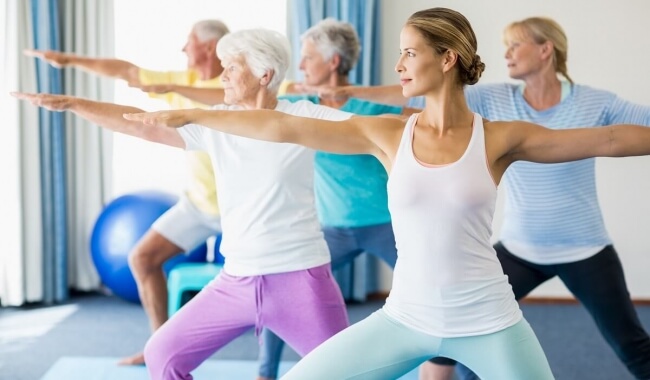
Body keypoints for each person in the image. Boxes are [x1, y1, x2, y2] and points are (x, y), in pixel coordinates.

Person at [119, 7, 650, 379]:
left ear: (445, 59)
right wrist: (197, 112)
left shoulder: (499, 136)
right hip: (406, 319)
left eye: (408, 53)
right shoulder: (389, 133)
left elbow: (607, 137)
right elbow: (283, 127)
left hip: (489, 319)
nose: (398, 65)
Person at [13, 28, 361, 380]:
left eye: (231, 68)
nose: (221, 76)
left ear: (264, 75)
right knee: (162, 355)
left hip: (299, 278)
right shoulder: (216, 124)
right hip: (236, 281)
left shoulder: (305, 116)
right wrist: (74, 104)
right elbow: (138, 124)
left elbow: (371, 131)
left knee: (348, 373)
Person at [326, 16, 650, 380]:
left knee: (632, 345)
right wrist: (350, 93)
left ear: (545, 50)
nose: (506, 53)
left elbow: (621, 135)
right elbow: (415, 89)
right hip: (521, 247)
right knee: (455, 341)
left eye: (516, 45)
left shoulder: (594, 101)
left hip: (585, 249)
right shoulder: (493, 98)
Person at [255, 18, 451, 380]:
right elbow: (246, 110)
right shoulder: (301, 106)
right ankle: (265, 374)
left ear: (332, 62)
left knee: (439, 292)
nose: (301, 66)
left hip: (385, 226)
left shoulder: (378, 108)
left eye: (308, 58)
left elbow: (438, 119)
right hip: (333, 230)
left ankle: (464, 372)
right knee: (282, 287)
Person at [25, 19, 230, 366]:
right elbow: (127, 71)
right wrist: (70, 61)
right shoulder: (181, 82)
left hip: (239, 209)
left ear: (208, 47)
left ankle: (266, 367)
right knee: (142, 258)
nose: (183, 49)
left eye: (189, 41)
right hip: (197, 205)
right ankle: (159, 347)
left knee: (267, 282)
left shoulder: (241, 86)